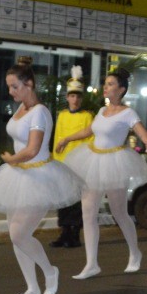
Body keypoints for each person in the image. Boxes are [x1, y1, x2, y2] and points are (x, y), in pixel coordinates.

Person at [56, 67, 147, 279]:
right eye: (105, 84)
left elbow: (146, 137)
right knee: (88, 213)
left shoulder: (128, 113)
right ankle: (91, 263)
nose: (106, 87)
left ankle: (134, 253)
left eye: (111, 84)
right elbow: (89, 131)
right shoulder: (101, 112)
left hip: (114, 163)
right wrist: (68, 138)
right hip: (93, 160)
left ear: (121, 90)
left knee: (119, 213)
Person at [0, 59, 85, 294]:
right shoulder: (22, 109)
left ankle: (50, 271)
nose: (11, 92)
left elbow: (32, 149)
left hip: (39, 176)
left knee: (19, 234)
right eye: (9, 87)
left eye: (14, 86)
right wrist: (14, 162)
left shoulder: (40, 112)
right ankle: (32, 287)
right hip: (17, 175)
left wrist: (11, 159)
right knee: (15, 235)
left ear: (29, 84)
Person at [50, 66, 93, 249]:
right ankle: (64, 232)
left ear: (81, 98)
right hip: (63, 163)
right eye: (72, 96)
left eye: (78, 96)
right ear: (67, 97)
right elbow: (57, 139)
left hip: (80, 164)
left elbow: (91, 139)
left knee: (76, 200)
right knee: (63, 198)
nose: (74, 100)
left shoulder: (87, 117)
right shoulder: (62, 116)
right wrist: (54, 161)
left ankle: (75, 234)